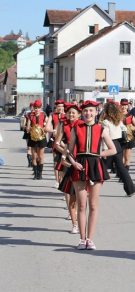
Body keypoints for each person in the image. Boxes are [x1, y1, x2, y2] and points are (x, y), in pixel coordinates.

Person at [66, 100, 116, 250]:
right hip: (79, 166)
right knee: (82, 205)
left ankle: (90, 239)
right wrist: (74, 163)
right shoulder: (76, 128)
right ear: (82, 113)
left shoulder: (101, 130)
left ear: (96, 112)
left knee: (93, 205)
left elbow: (112, 149)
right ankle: (82, 239)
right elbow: (69, 151)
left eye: (91, 111)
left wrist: (97, 154)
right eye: (86, 111)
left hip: (95, 166)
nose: (88, 113)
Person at [55, 103, 81, 234]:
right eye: (69, 113)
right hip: (67, 159)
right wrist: (65, 152)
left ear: (78, 115)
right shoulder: (63, 124)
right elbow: (57, 142)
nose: (71, 115)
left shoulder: (82, 125)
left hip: (80, 159)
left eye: (73, 113)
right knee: (68, 188)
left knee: (80, 190)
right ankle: (72, 214)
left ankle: (77, 214)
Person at [101, 102, 135, 197]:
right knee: (121, 168)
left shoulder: (105, 122)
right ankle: (131, 189)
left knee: (102, 168)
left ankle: (92, 189)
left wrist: (104, 150)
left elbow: (105, 136)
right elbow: (125, 129)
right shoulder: (118, 121)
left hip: (109, 145)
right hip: (118, 145)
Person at [45, 99, 65, 188]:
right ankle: (57, 180)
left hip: (65, 140)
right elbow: (46, 128)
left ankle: (63, 179)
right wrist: (53, 131)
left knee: (64, 160)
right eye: (59, 106)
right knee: (56, 161)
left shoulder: (68, 115)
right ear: (56, 107)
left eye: (62, 106)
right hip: (56, 139)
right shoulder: (52, 115)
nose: (60, 108)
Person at [26, 99, 47, 180]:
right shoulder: (30, 116)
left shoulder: (44, 115)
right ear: (33, 108)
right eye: (35, 108)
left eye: (38, 108)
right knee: (34, 156)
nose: (37, 110)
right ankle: (35, 174)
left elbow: (48, 125)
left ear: (41, 108)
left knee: (40, 156)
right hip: (33, 137)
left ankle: (40, 174)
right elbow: (27, 128)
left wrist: (43, 129)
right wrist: (32, 129)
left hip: (41, 137)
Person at [119, 99, 135, 174]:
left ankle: (126, 174)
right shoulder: (117, 115)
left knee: (127, 157)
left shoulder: (130, 116)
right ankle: (121, 173)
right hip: (119, 138)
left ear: (127, 106)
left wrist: (130, 128)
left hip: (129, 138)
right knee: (120, 158)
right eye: (122, 105)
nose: (123, 107)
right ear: (120, 106)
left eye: (125, 105)